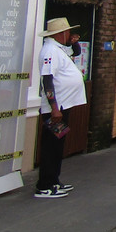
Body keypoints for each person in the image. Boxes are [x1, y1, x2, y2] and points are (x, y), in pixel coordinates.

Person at [35, 18, 87, 199]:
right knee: (51, 146)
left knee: (58, 145)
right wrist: (54, 108)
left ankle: (54, 181)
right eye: (67, 32)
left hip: (63, 106)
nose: (68, 34)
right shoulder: (50, 50)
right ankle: (44, 186)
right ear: (59, 33)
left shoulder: (58, 49)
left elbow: (77, 51)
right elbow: (47, 80)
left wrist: (74, 42)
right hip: (55, 109)